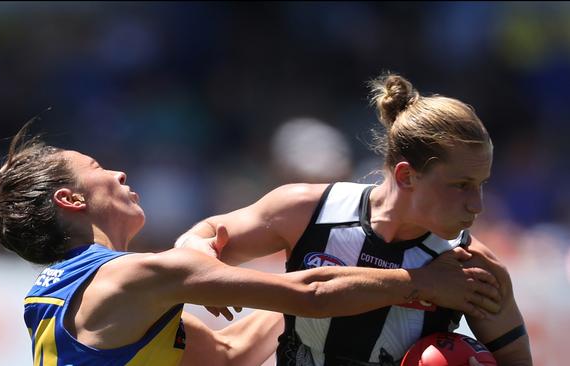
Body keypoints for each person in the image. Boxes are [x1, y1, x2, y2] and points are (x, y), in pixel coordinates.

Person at [0, 122, 500, 366]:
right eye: (98, 168)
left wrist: (315, 249)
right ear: (71, 201)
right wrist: (420, 281)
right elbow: (308, 296)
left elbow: (232, 353)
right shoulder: (136, 276)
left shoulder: (55, 297)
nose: (119, 172)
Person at [176, 74, 533, 365]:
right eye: (461, 186)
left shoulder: (475, 269)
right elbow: (200, 238)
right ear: (407, 176)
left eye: (482, 185)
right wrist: (202, 258)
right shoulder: (308, 211)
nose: (477, 205)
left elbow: (516, 359)